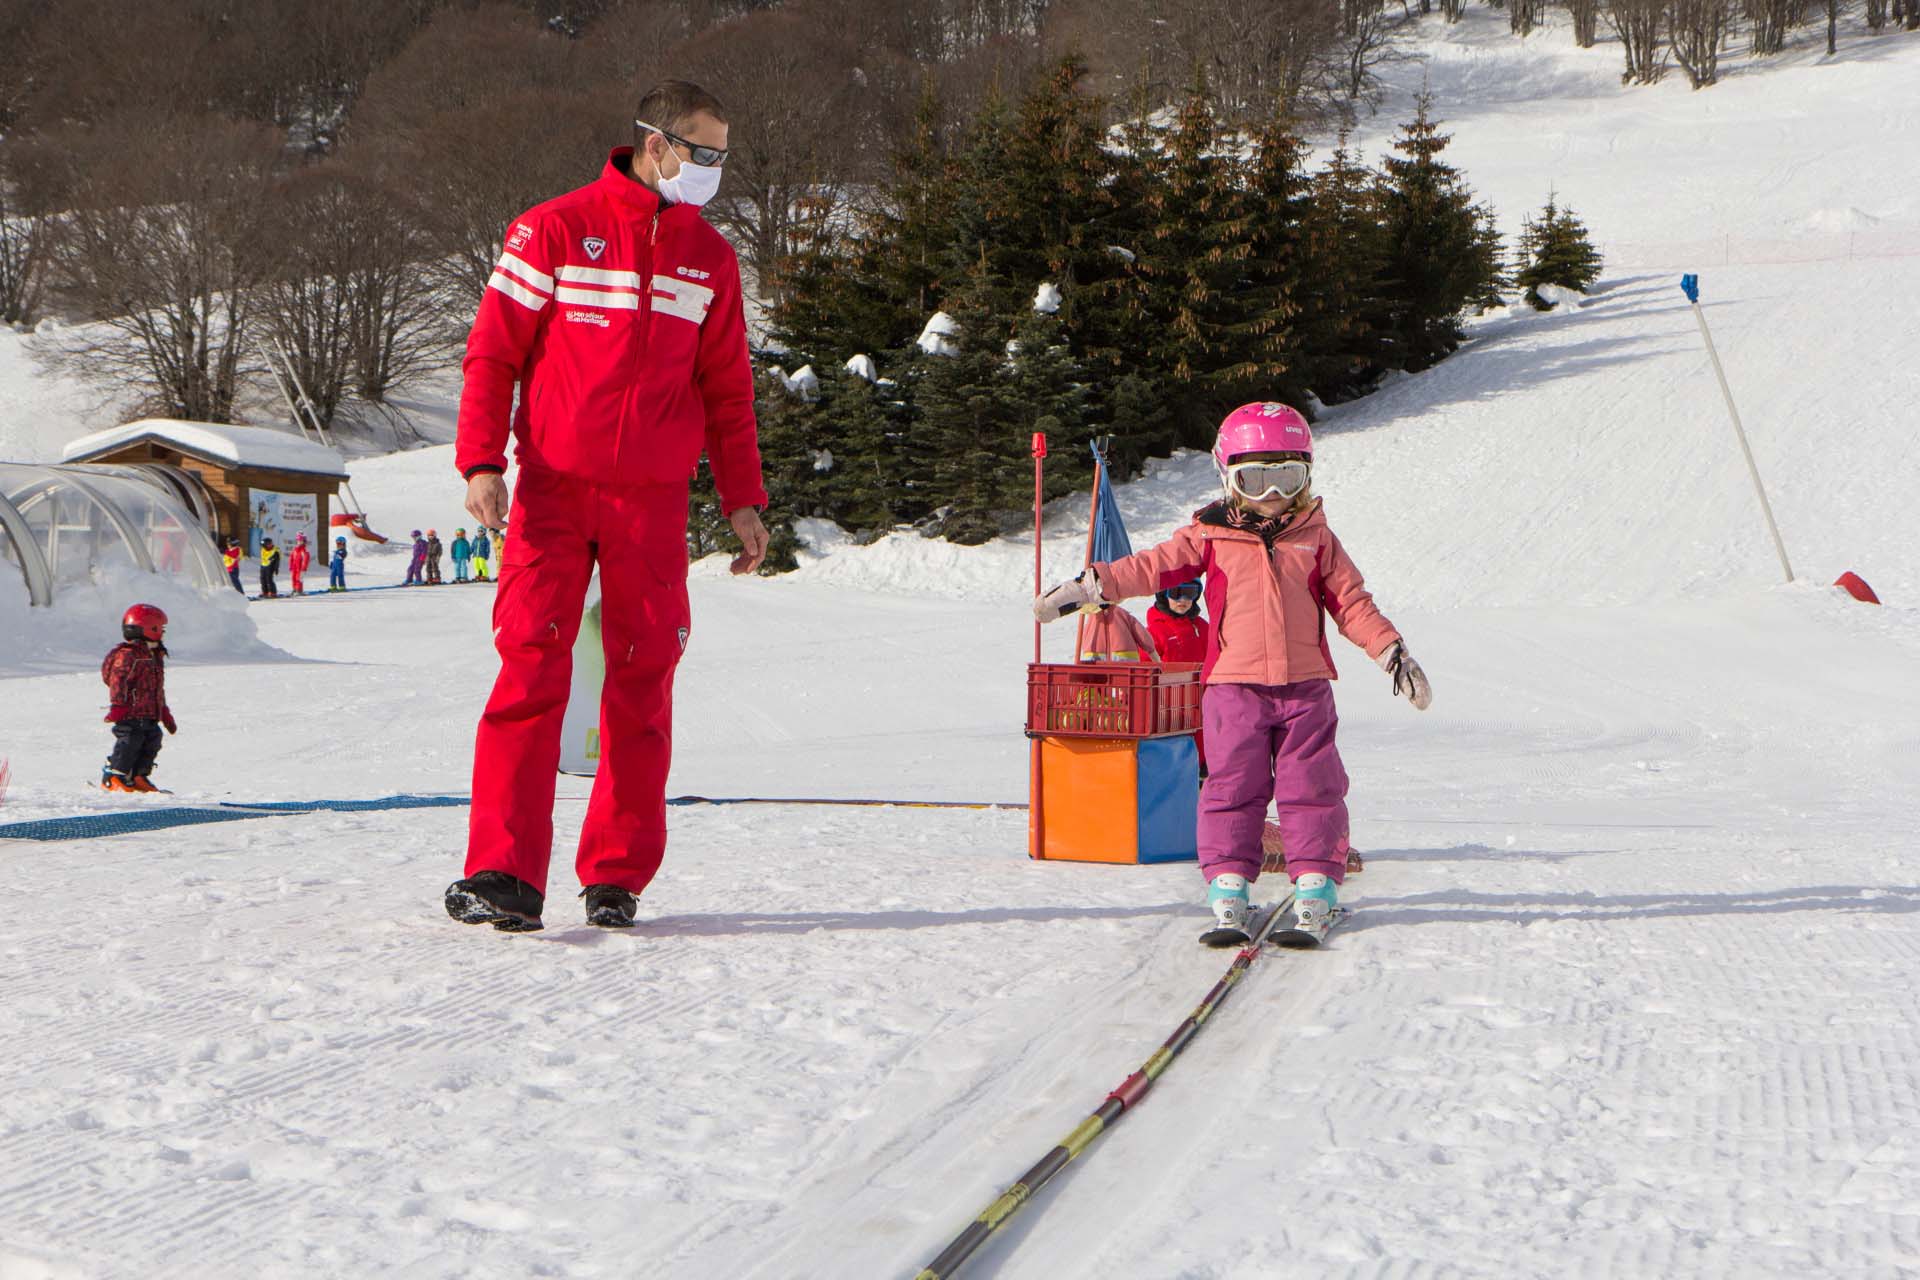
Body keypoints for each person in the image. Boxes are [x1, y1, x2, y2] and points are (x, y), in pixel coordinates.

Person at [444, 79, 768, 934]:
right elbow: (492, 356)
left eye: (723, 158)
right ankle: (503, 872)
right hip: (553, 488)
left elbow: (728, 393)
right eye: (702, 154)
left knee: (642, 678)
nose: (712, 172)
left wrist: (743, 501)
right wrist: (481, 461)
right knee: (530, 667)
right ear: (655, 143)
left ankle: (616, 875)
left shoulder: (712, 259)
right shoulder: (551, 228)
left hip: (653, 503)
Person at [1033, 402, 1432, 943]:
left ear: (1306, 476)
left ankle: (1314, 889)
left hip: (1305, 688)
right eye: (1256, 479)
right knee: (1231, 788)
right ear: (1229, 477)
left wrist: (1391, 652)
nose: (1272, 496)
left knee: (1311, 787)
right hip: (1232, 690)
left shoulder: (1316, 539)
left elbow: (1352, 603)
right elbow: (1149, 566)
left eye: (1286, 478)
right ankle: (1228, 888)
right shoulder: (1209, 536)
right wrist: (1092, 587)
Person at [100, 603, 176, 793]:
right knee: (130, 740)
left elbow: (156, 687)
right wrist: (118, 706)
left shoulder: (154, 654)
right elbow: (118, 680)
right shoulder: (129, 655)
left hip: (149, 711)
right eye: (161, 629)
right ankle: (114, 775)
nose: (163, 633)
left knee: (153, 738)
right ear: (150, 628)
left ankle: (138, 775)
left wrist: (164, 711)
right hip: (130, 710)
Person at [1076, 603, 1158, 663]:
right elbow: (1142, 635)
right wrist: (1153, 654)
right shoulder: (1122, 614)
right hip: (1124, 658)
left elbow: (1085, 638)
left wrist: (1086, 649)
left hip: (1095, 657)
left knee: (1094, 682)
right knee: (1125, 683)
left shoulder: (1092, 617)